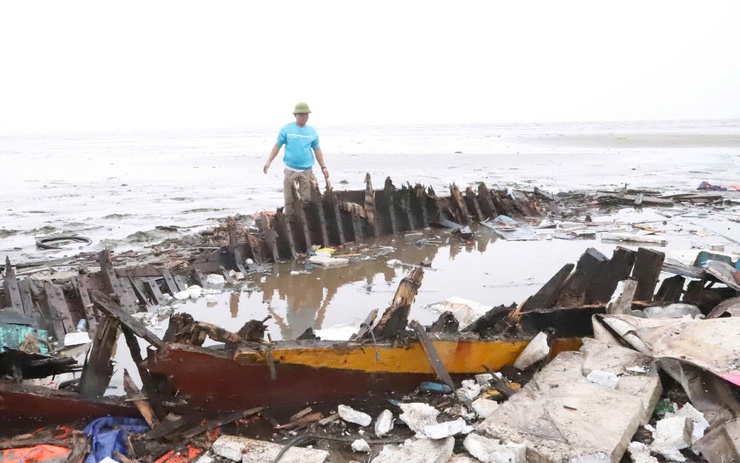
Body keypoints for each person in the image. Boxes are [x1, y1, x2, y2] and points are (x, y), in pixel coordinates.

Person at [263, 102, 329, 214]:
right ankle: (289, 218)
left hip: (306, 170)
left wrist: (323, 167)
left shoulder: (312, 132)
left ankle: (305, 218)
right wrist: (269, 161)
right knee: (288, 198)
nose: (304, 116)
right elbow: (277, 146)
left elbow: (317, 150)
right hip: (290, 169)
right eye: (301, 114)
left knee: (306, 198)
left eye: (306, 114)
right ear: (295, 115)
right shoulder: (287, 129)